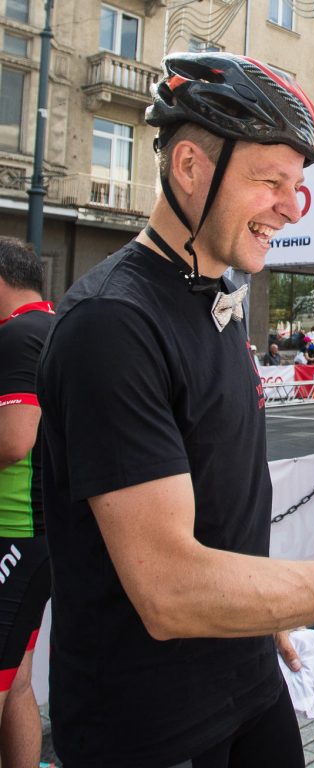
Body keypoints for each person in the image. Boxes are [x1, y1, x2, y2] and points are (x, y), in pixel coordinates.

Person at [36, 53, 314, 768]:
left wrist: (269, 611)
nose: (291, 206)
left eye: (298, 186)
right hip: (151, 726)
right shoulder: (112, 325)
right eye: (269, 182)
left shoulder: (214, 300)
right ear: (189, 166)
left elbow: (222, 495)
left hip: (247, 676)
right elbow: (170, 589)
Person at [0, 238, 53, 768]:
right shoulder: (55, 325)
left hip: (13, 530)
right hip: (41, 534)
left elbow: (16, 438)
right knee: (16, 679)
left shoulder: (17, 334)